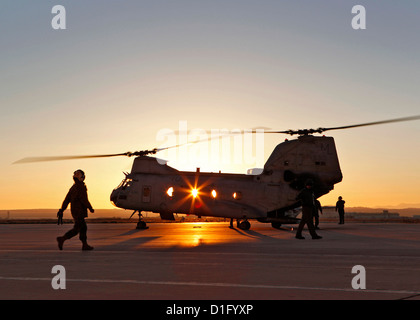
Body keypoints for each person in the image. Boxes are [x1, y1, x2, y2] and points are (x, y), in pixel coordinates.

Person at [56, 169, 95, 250]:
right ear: (81, 177)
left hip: (74, 211)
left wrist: (62, 209)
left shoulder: (73, 187)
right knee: (77, 229)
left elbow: (66, 200)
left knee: (83, 228)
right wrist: (90, 207)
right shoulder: (80, 187)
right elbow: (84, 199)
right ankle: (62, 239)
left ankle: (84, 245)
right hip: (79, 211)